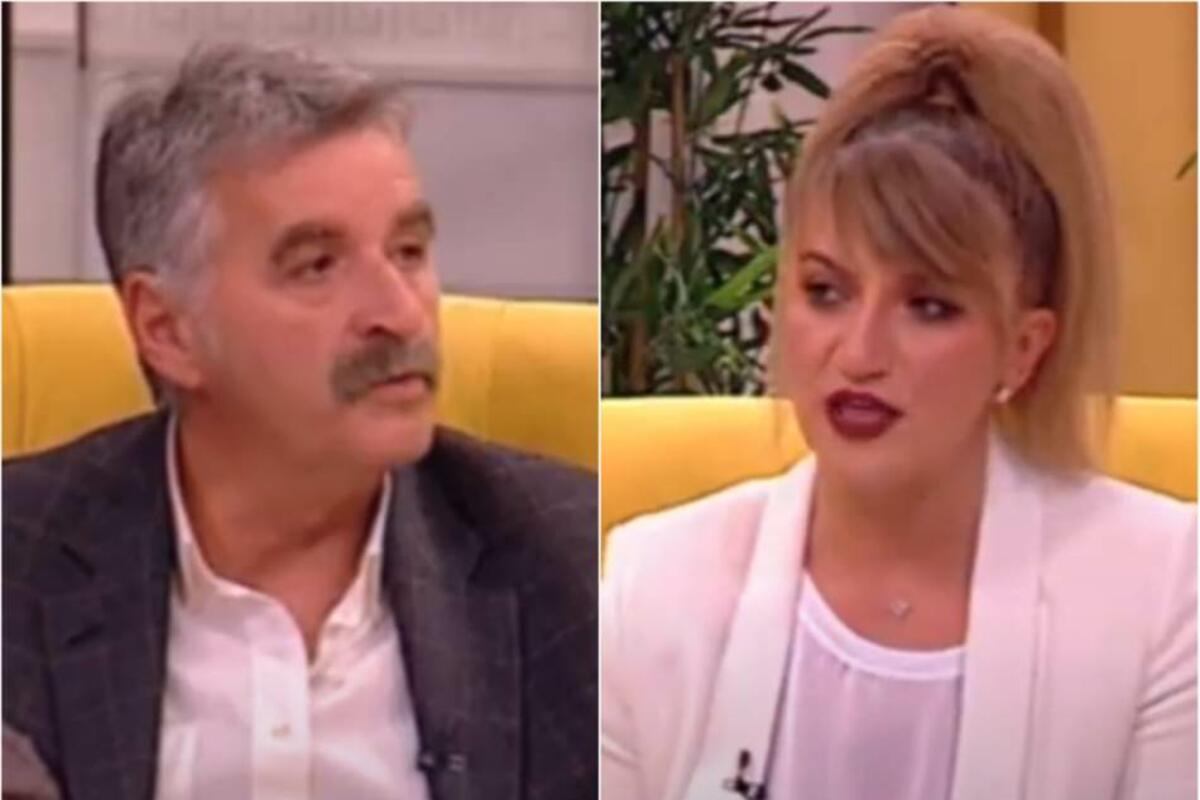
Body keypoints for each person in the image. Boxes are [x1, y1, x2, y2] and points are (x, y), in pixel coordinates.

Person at [601, 7, 1195, 800]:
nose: (859, 354)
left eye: (929, 307)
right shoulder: (654, 580)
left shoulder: (1161, 589)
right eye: (826, 292)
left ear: (1024, 347)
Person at [4, 44, 597, 800]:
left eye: (409, 251)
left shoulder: (571, 568)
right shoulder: (19, 565)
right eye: (317, 265)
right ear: (167, 330)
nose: (400, 314)